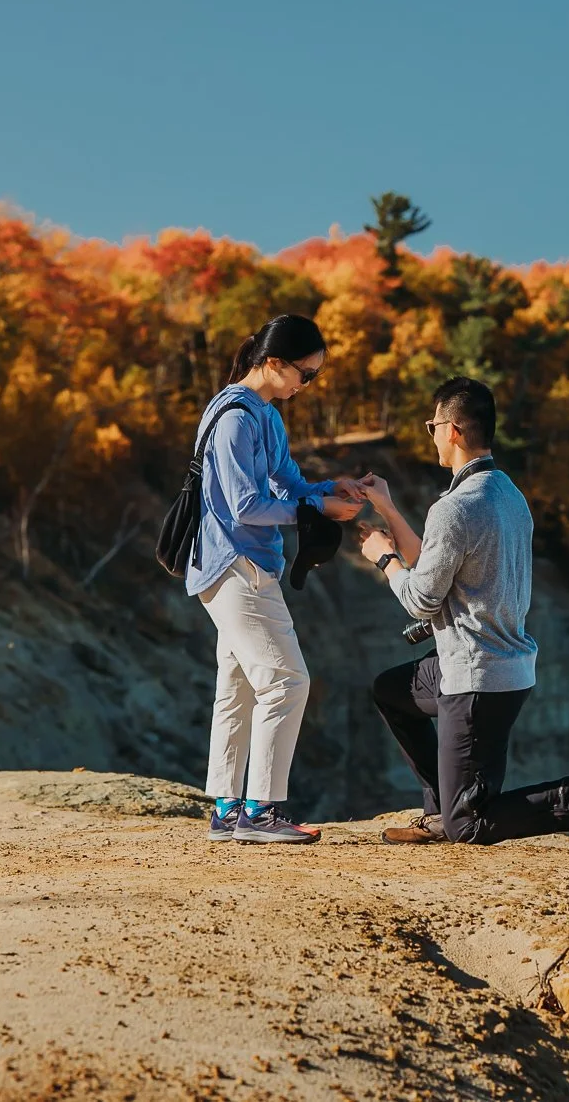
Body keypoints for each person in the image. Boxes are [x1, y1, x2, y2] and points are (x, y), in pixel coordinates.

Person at [359, 376, 569, 849]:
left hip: (477, 678)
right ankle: (440, 808)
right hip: (498, 667)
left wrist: (383, 559)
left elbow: (420, 598)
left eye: (431, 425)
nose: (429, 433)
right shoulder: (506, 494)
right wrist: (389, 509)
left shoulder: (455, 508)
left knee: (469, 826)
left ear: (452, 430)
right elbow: (434, 560)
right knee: (391, 691)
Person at [188, 314, 366, 844]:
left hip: (239, 565)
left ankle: (226, 809)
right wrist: (314, 515)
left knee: (238, 687)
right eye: (304, 375)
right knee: (288, 682)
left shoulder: (263, 414)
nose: (305, 385)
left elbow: (286, 481)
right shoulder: (236, 419)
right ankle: (259, 812)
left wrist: (331, 488)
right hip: (235, 565)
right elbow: (246, 505)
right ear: (273, 364)